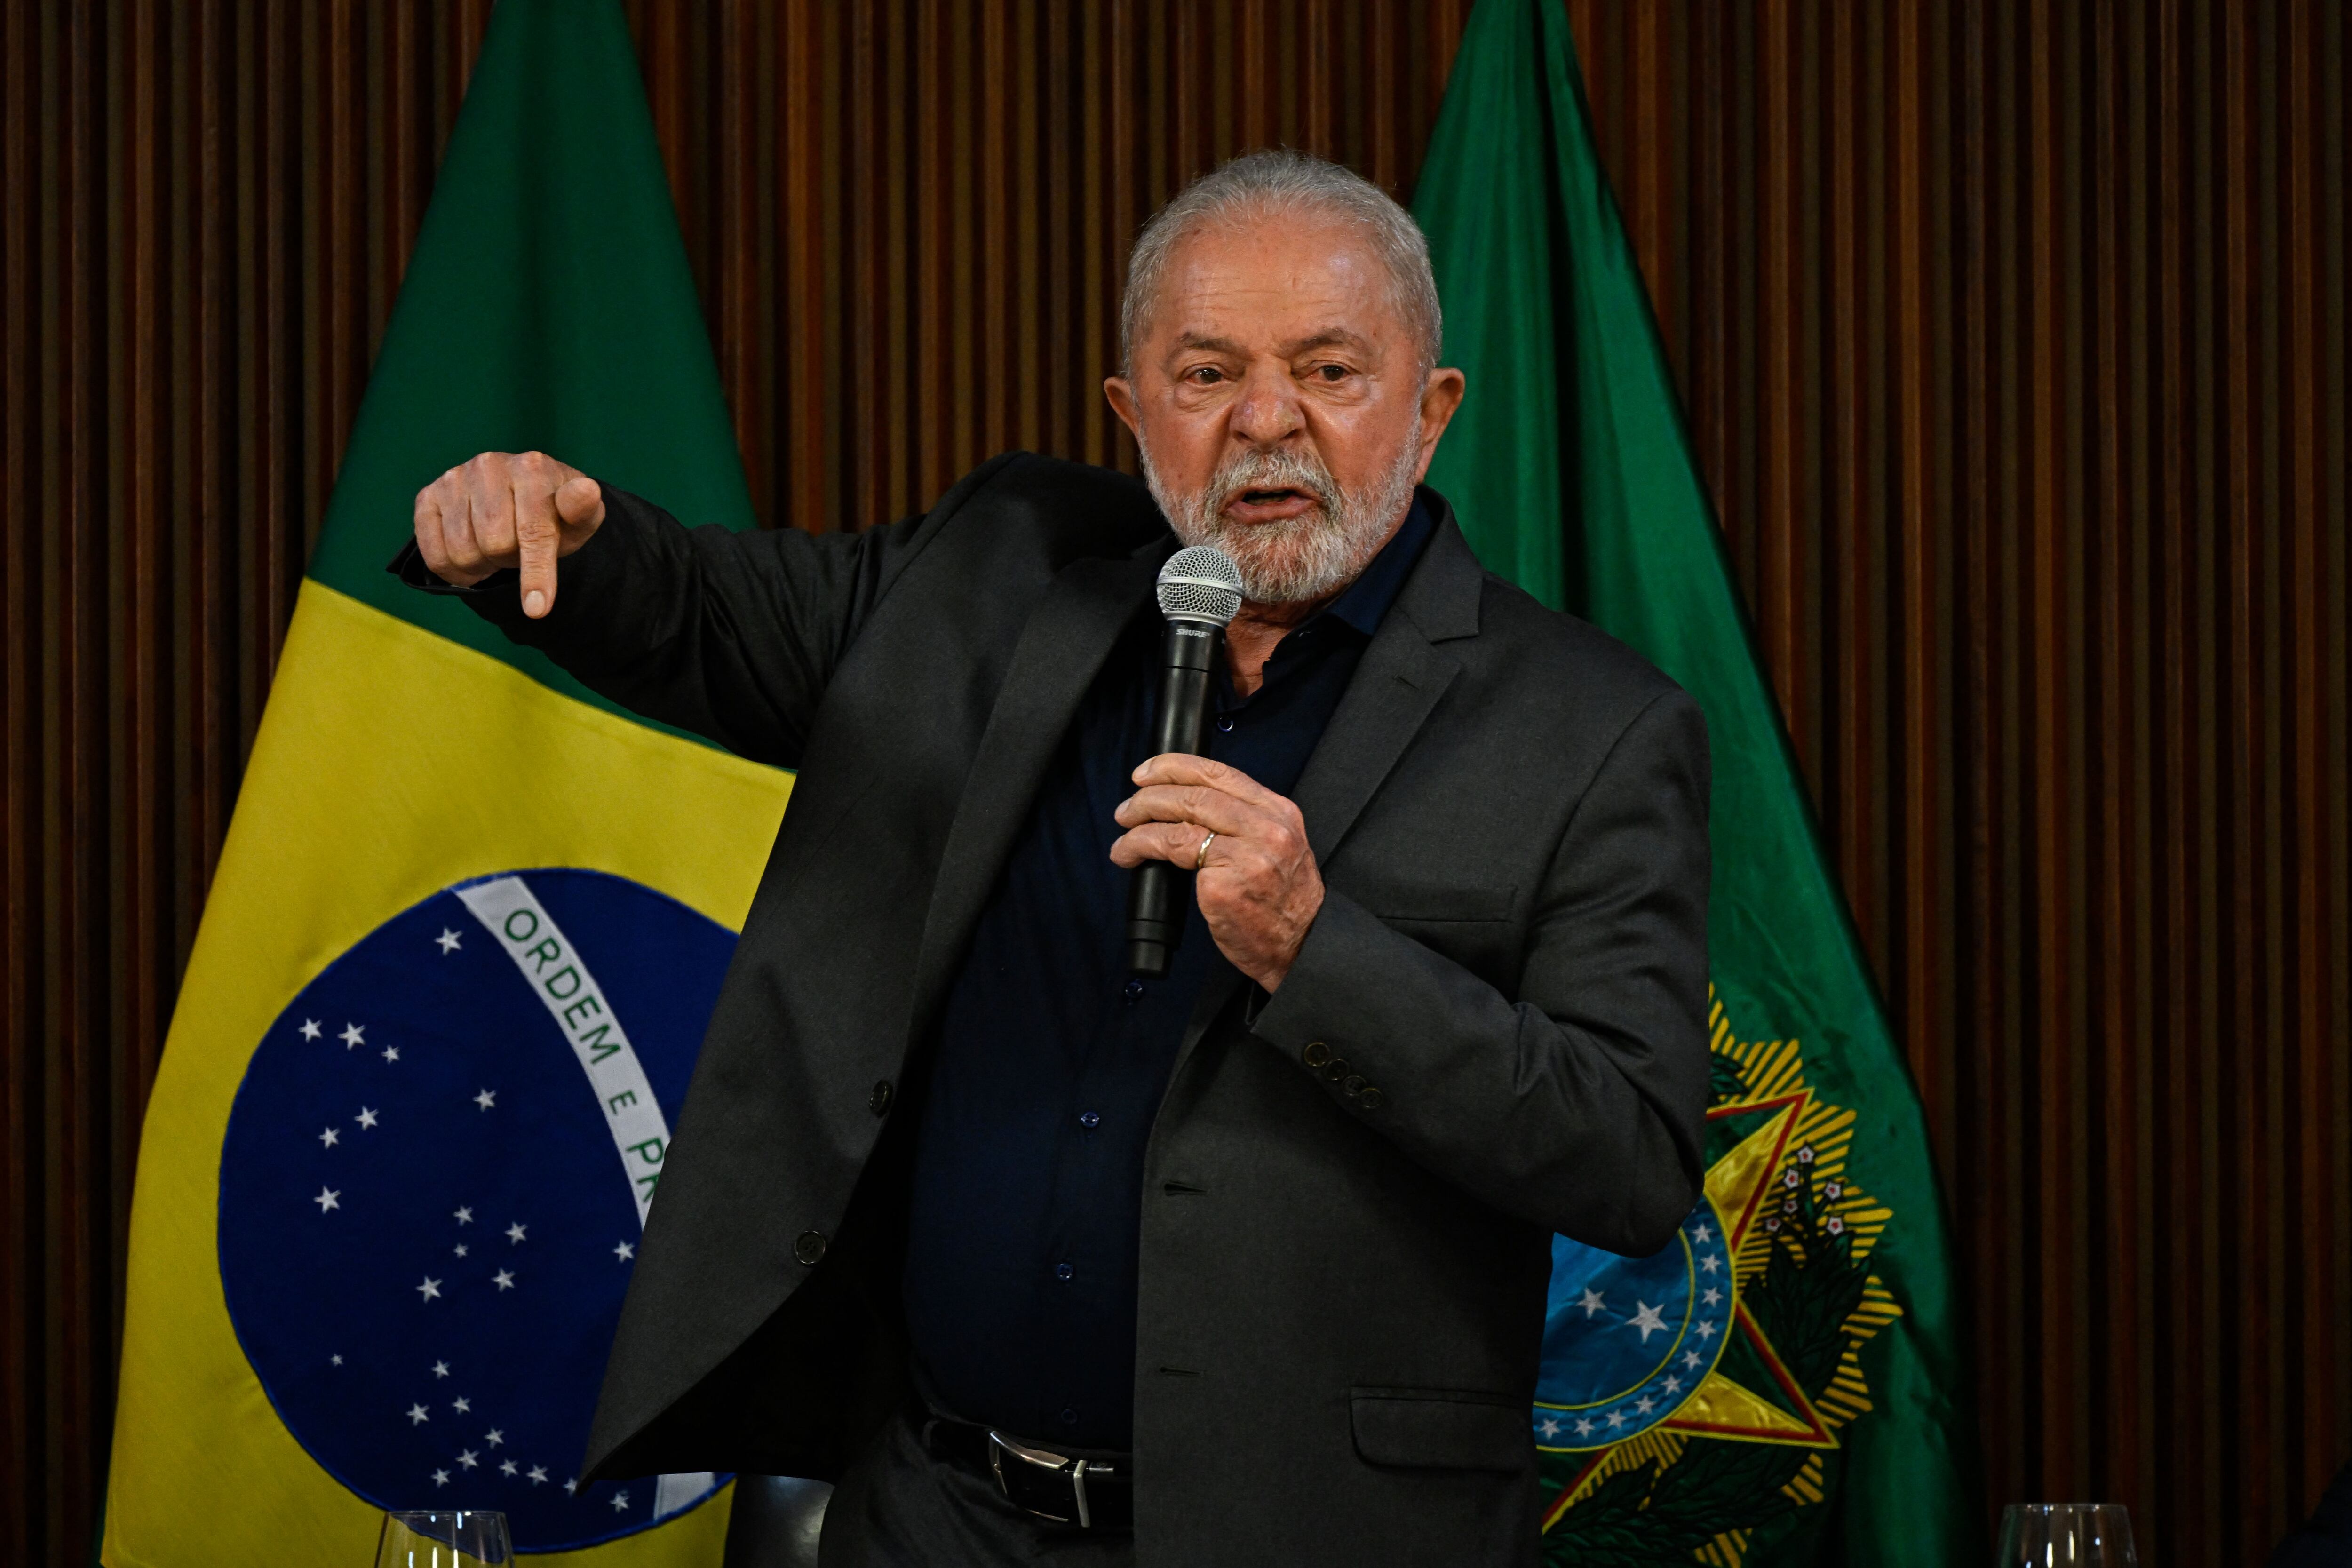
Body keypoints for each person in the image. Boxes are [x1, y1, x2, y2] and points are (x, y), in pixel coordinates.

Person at [397, 150, 1710, 1568]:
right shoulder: (998, 573)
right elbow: (705, 613)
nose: (1268, 422)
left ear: (1432, 407)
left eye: (1330, 371)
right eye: (1207, 377)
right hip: (935, 1516)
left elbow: (1628, 1156)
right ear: (1131, 409)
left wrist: (1314, 949)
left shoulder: (1590, 727)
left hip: (1315, 1535)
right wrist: (545, 543)